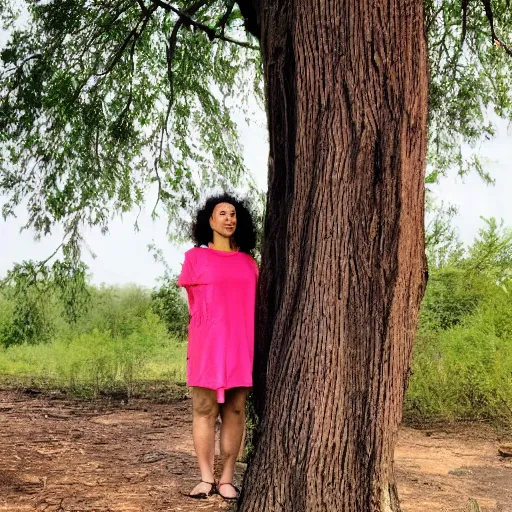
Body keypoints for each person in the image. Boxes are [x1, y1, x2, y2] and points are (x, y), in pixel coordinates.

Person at [177, 193, 258, 501]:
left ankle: (226, 478)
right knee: (204, 409)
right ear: (209, 221)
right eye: (221, 213)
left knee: (235, 410)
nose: (228, 218)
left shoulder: (250, 263)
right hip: (207, 345)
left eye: (233, 213)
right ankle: (205, 478)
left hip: (241, 343)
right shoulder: (195, 258)